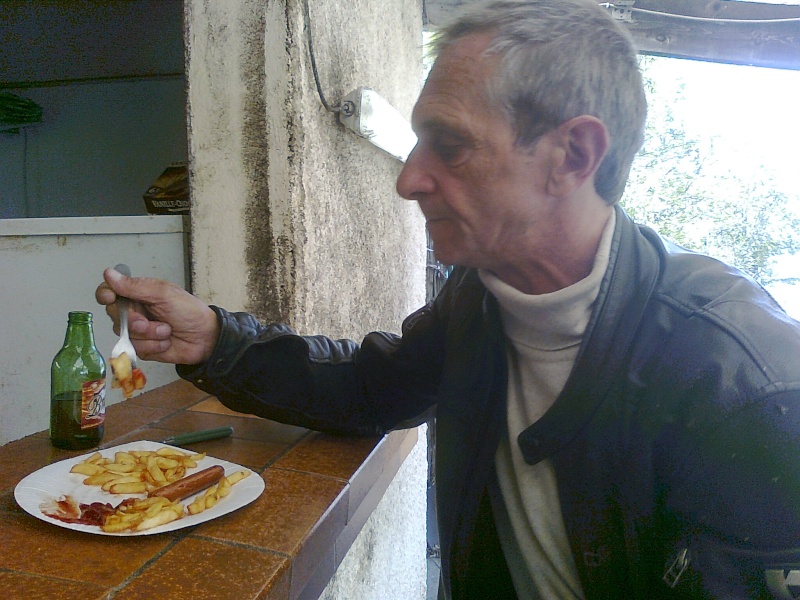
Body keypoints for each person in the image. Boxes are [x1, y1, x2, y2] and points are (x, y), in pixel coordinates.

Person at [96, 0, 800, 597]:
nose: (408, 182)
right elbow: (373, 386)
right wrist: (217, 339)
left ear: (574, 156)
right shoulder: (480, 300)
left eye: (450, 145)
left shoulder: (747, 388)